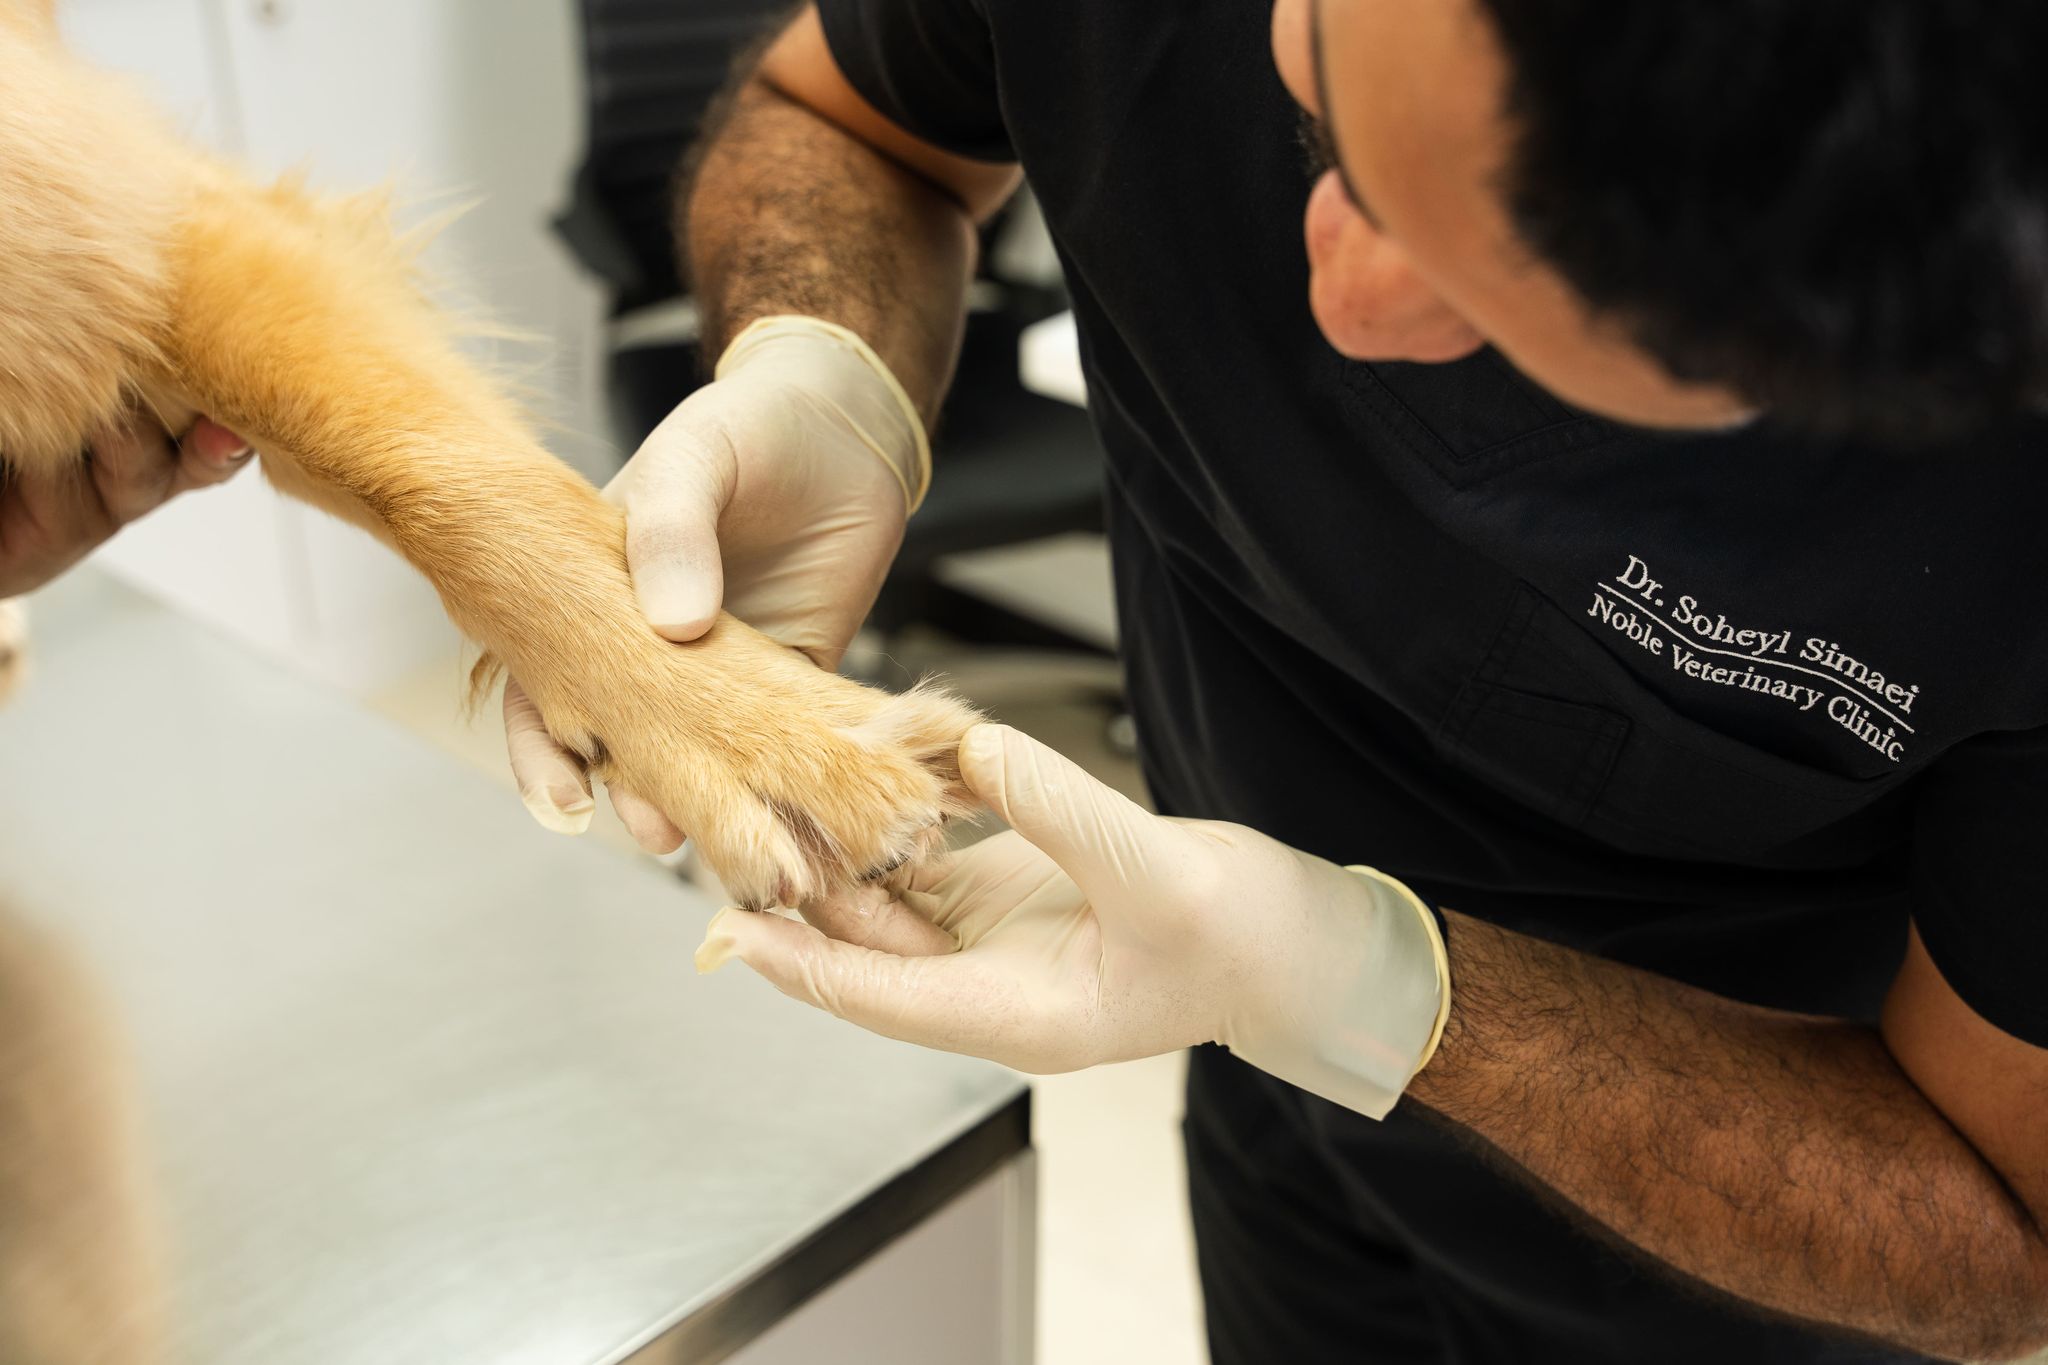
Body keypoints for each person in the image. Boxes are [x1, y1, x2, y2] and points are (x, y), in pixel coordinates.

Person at [506, 1, 2048, 1359]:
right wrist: (822, 366)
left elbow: (2007, 1228)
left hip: (1762, 1255)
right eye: (1329, 136)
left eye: (1508, 303)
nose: (1344, 303)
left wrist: (1366, 988)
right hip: (1273, 1120)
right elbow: (852, 124)